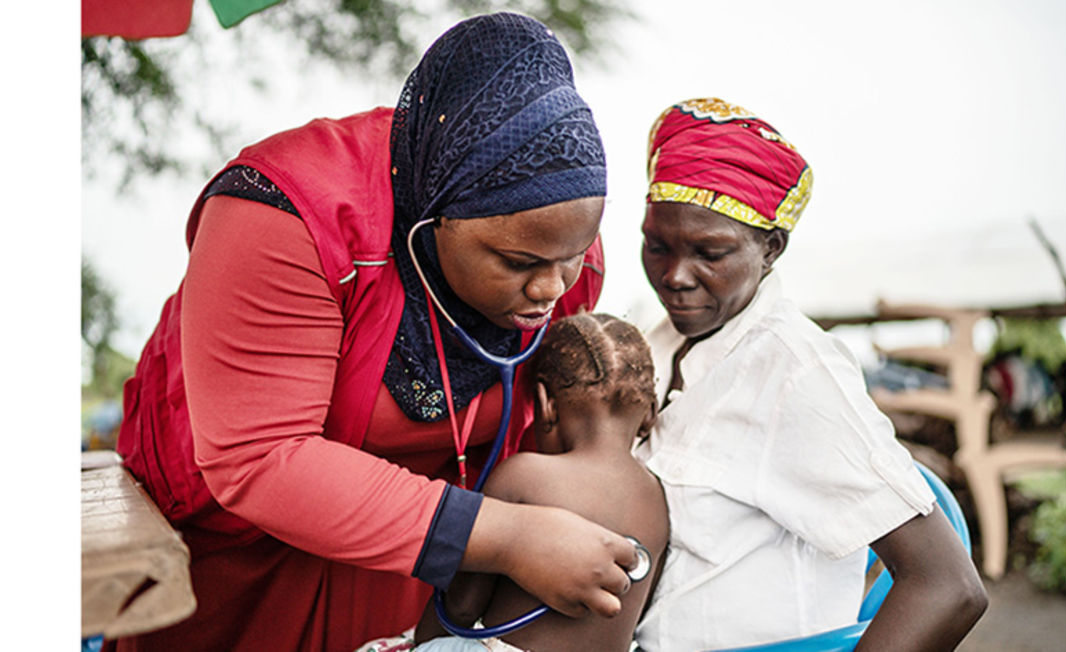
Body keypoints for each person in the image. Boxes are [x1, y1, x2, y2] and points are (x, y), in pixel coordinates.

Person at [110, 14, 642, 652]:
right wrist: (507, 538)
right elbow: (262, 457)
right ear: (434, 213)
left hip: (413, 577)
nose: (553, 291)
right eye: (518, 264)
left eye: (575, 255)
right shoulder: (283, 215)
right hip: (236, 566)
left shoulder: (556, 244)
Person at [632, 98, 988, 651]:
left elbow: (948, 586)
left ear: (771, 248)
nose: (675, 275)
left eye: (711, 252)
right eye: (657, 246)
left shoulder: (793, 371)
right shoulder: (662, 344)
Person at [361, 313, 668, 652]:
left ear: (545, 404)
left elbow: (462, 607)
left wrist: (423, 643)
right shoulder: (657, 499)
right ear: (651, 413)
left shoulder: (524, 475)